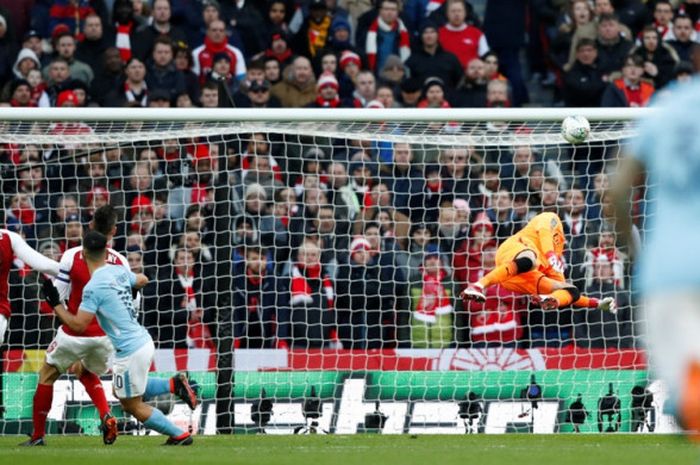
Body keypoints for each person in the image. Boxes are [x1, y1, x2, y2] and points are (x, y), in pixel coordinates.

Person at [41, 231, 198, 446]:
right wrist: (130, 288)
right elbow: (143, 279)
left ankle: (179, 435)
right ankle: (173, 384)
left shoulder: (92, 288)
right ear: (106, 252)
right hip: (142, 340)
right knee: (119, 390)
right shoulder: (118, 271)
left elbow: (78, 324)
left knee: (131, 405)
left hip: (129, 350)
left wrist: (55, 304)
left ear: (84, 253)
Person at [612, 79, 700, 436]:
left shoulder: (667, 108)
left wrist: (636, 253)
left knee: (687, 404)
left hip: (666, 273)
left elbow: (616, 191)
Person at [461, 212, 617, 315]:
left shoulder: (555, 263)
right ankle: (477, 285)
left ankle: (549, 301)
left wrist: (596, 304)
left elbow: (570, 295)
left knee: (571, 290)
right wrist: (550, 254)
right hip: (513, 251)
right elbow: (544, 233)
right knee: (531, 260)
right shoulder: (551, 219)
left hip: (516, 279)